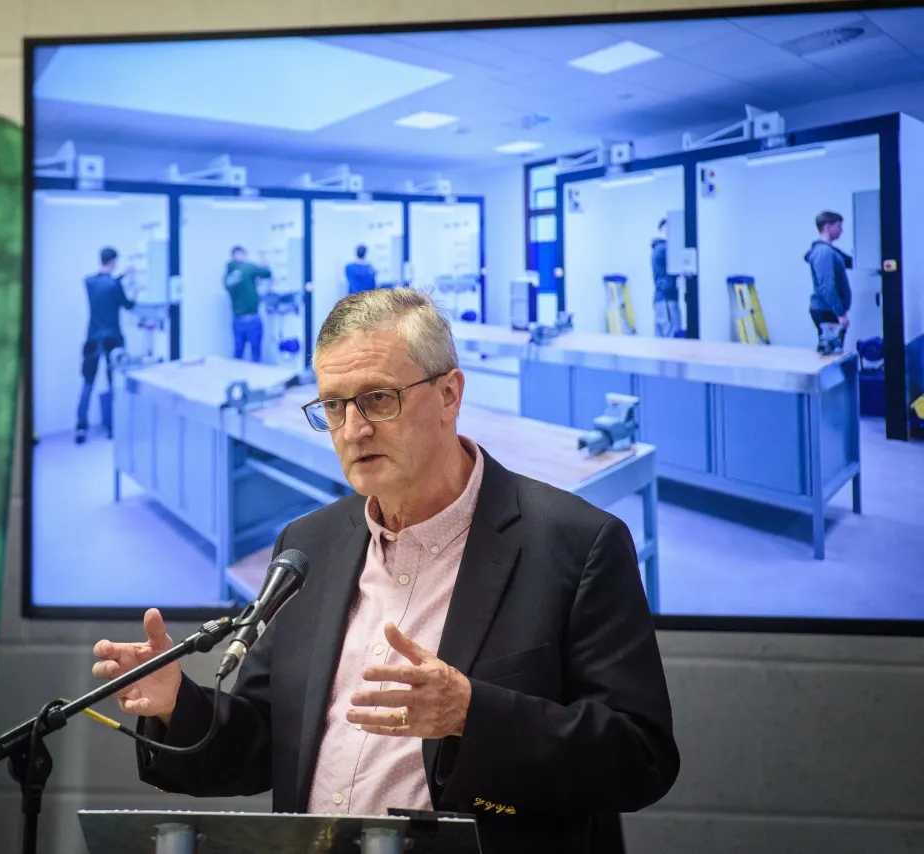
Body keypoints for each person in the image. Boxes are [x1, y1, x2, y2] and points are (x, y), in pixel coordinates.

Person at [92, 288, 680, 854]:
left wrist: (472, 715)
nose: (353, 430)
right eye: (333, 406)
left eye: (378, 398)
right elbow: (266, 741)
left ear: (450, 394)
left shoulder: (575, 544)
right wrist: (177, 704)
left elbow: (640, 757)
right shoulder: (308, 546)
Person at [76, 246, 136, 444]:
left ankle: (81, 428)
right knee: (113, 383)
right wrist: (132, 289)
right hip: (112, 338)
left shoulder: (89, 282)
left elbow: (103, 284)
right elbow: (127, 304)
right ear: (114, 261)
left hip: (92, 338)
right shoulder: (114, 285)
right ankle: (113, 427)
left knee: (88, 383)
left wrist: (118, 278)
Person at [805, 210, 853, 355]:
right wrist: (840, 313)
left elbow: (851, 261)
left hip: (828, 310)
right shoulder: (823, 253)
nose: (841, 230)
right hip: (827, 311)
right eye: (838, 226)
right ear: (827, 227)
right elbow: (827, 286)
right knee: (831, 355)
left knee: (832, 352)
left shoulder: (830, 251)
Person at [224, 246, 272, 362]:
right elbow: (267, 273)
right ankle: (256, 379)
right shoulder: (247, 267)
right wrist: (265, 264)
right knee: (255, 355)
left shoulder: (227, 275)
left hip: (237, 320)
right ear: (242, 255)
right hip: (252, 319)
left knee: (238, 353)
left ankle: (237, 379)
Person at [651, 219, 682, 338]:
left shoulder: (658, 248)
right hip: (666, 298)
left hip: (662, 298)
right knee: (670, 336)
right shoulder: (664, 248)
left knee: (662, 336)